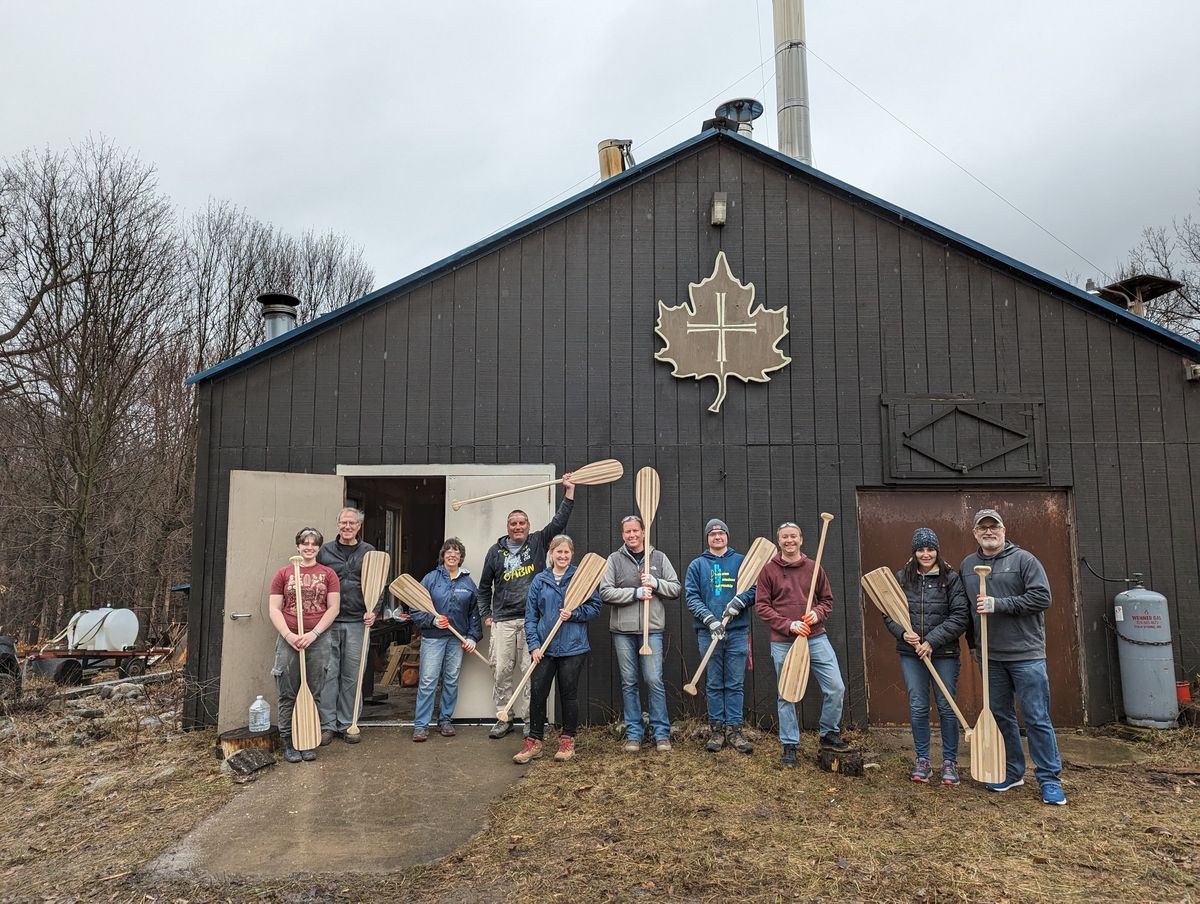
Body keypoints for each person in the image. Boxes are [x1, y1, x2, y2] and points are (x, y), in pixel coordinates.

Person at [961, 508, 1066, 805]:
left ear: (1004, 530)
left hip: (1026, 654)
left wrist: (999, 604)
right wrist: (973, 645)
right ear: (975, 533)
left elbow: (1042, 597)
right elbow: (968, 611)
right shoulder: (968, 565)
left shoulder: (1024, 560)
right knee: (1001, 717)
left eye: (994, 527)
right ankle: (1012, 771)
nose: (989, 532)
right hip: (990, 656)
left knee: (1036, 717)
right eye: (983, 528)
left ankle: (1049, 779)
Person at [477, 475, 576, 739]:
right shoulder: (494, 552)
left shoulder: (537, 542)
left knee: (531, 672)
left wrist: (569, 493)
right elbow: (484, 587)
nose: (518, 527)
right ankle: (504, 716)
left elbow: (559, 523)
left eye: (522, 523)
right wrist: (487, 615)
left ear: (528, 526)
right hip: (504, 621)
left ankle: (532, 720)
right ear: (507, 526)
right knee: (501, 670)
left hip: (534, 620)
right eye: (513, 523)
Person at [755, 521, 848, 768]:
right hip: (784, 641)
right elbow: (762, 606)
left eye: (793, 536)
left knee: (835, 687)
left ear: (801, 539)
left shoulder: (813, 567)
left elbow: (827, 600)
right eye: (784, 537)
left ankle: (828, 733)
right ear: (779, 540)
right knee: (787, 695)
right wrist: (788, 625)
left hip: (816, 637)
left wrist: (817, 614)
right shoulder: (768, 571)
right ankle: (789, 745)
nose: (789, 541)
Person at [881, 527, 970, 785]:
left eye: (930, 549)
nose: (926, 553)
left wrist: (931, 640)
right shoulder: (902, 578)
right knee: (918, 706)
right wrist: (902, 633)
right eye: (921, 549)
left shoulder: (950, 579)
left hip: (945, 653)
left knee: (946, 706)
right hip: (911, 653)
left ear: (937, 551)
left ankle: (950, 762)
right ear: (914, 552)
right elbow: (888, 613)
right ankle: (922, 760)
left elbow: (960, 616)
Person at [512, 535, 602, 765]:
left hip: (573, 647)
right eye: (558, 552)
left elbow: (595, 608)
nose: (562, 556)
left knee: (568, 694)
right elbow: (531, 617)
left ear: (572, 554)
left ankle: (567, 740)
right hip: (544, 648)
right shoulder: (540, 581)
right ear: (551, 554)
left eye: (567, 552)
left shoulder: (581, 578)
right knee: (538, 693)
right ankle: (535, 742)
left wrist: (575, 614)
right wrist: (533, 645)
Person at [599, 515, 681, 753]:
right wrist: (635, 593)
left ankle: (661, 733)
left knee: (654, 680)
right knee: (629, 682)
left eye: (636, 531)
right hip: (622, 631)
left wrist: (655, 582)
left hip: (651, 630)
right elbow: (605, 592)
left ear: (644, 532)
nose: (632, 535)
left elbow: (675, 588)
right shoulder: (614, 559)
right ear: (622, 534)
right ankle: (634, 733)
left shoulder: (659, 557)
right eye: (627, 532)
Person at [267, 527, 341, 763]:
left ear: (319, 547)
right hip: (289, 639)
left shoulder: (328, 574)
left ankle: (308, 739)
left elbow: (334, 608)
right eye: (304, 543)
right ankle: (289, 741)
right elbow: (274, 609)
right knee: (288, 693)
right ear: (297, 546)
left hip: (318, 640)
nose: (309, 547)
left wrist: (314, 634)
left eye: (314, 543)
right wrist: (289, 635)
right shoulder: (284, 573)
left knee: (314, 690)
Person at [683, 518, 756, 754]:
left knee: (734, 683)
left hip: (737, 632)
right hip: (708, 633)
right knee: (714, 682)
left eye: (721, 533)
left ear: (727, 536)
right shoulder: (697, 565)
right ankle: (717, 730)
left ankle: (734, 730)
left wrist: (741, 600)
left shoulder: (742, 561)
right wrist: (710, 619)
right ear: (707, 538)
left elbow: (755, 588)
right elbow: (691, 596)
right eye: (713, 534)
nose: (717, 537)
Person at [316, 507, 382, 745]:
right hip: (329, 623)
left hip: (357, 622)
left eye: (351, 523)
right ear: (337, 525)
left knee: (352, 676)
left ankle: (348, 723)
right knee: (328, 674)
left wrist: (373, 611)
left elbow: (378, 586)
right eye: (343, 522)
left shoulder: (369, 552)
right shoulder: (325, 552)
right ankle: (327, 725)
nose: (347, 527)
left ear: (358, 526)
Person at [411, 538, 481, 742]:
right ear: (443, 555)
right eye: (448, 551)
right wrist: (432, 620)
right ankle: (421, 725)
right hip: (433, 638)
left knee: (451, 680)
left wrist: (472, 637)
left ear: (461, 556)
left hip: (456, 640)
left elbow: (474, 613)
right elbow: (415, 608)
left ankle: (445, 720)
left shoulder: (467, 582)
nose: (452, 554)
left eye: (456, 551)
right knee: (427, 681)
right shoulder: (431, 579)